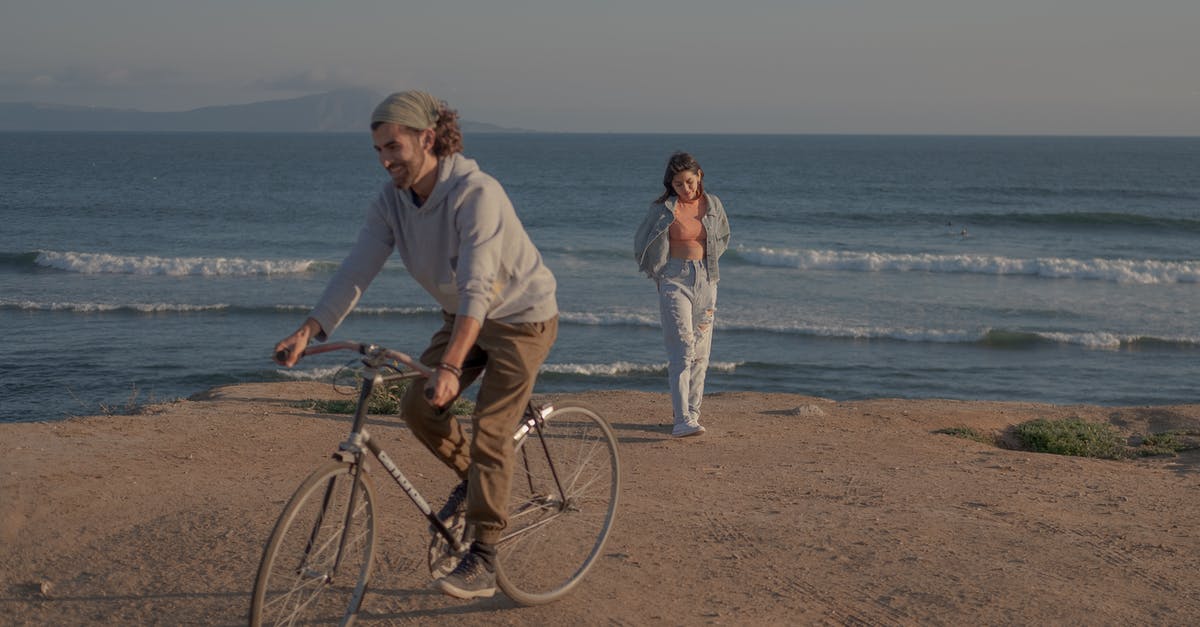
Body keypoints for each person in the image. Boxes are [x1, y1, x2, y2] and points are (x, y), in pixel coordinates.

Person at [273, 90, 558, 600]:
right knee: (416, 406)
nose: (385, 161)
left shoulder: (476, 194)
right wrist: (310, 329)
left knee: (491, 428)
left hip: (520, 320)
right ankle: (478, 481)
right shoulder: (391, 202)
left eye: (393, 148)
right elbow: (357, 268)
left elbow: (478, 289)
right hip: (462, 318)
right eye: (378, 150)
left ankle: (486, 554)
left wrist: (450, 367)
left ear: (427, 139)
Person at [633, 152, 730, 438]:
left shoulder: (713, 205)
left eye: (689, 182)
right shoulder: (663, 209)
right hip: (675, 279)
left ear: (699, 175)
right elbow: (642, 243)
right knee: (683, 348)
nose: (685, 189)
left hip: (707, 279)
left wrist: (705, 264)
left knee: (701, 352)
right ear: (671, 186)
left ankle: (693, 414)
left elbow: (723, 237)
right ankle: (681, 420)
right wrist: (660, 274)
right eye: (678, 185)